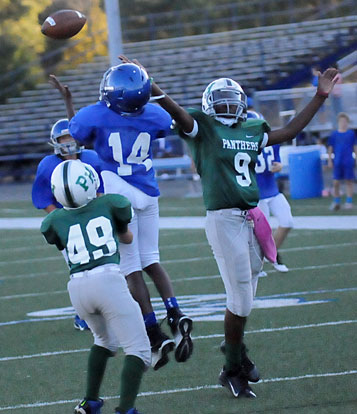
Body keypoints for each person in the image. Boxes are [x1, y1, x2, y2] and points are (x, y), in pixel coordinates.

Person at [120, 54, 337, 398]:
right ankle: (232, 367)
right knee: (241, 301)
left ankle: (233, 350)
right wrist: (151, 84)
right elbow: (178, 113)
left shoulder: (252, 128)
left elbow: (291, 130)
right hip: (223, 220)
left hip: (252, 217)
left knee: (248, 293)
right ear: (209, 105)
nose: (227, 106)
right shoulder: (202, 128)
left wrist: (320, 95)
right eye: (220, 102)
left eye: (231, 101)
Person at [67, 64, 193, 370]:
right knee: (151, 257)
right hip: (148, 190)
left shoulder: (94, 115)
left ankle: (152, 329)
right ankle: (174, 311)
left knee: (131, 266)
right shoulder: (155, 114)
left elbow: (78, 133)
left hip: (117, 190)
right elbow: (167, 123)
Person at [41, 159, 150, 414]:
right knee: (139, 351)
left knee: (105, 341)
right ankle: (126, 409)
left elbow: (64, 238)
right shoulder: (111, 203)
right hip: (108, 280)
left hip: (78, 289)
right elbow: (127, 237)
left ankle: (90, 401)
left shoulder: (53, 220)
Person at [32, 117, 104, 331]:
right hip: (67, 222)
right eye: (63, 139)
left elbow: (101, 189)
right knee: (78, 270)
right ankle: (83, 314)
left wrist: (97, 214)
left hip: (92, 219)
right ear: (55, 143)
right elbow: (43, 200)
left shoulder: (91, 158)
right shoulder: (48, 166)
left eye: (71, 138)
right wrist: (64, 220)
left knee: (103, 266)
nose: (68, 144)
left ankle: (104, 308)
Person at [249, 110, 293, 274]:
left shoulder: (272, 141)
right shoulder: (243, 144)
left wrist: (279, 166)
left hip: (273, 190)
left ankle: (271, 255)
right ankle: (259, 263)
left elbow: (277, 162)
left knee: (287, 222)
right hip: (256, 194)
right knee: (261, 232)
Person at [328, 112, 357, 210]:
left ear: (347, 122)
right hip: (337, 161)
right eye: (341, 121)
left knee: (349, 181)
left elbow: (355, 147)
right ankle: (337, 201)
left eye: (345, 121)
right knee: (336, 182)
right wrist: (330, 160)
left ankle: (349, 202)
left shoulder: (351, 134)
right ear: (338, 122)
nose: (343, 123)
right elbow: (330, 148)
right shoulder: (334, 134)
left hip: (348, 161)